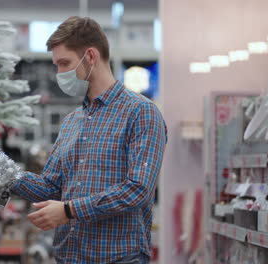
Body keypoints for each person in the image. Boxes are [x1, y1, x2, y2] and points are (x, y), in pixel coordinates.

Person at [10, 16, 167, 264]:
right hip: (68, 256)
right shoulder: (73, 121)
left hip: (118, 257)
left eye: (64, 63)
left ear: (91, 56)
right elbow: (51, 187)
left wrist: (69, 211)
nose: (59, 73)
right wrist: (3, 175)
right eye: (57, 65)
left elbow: (138, 189)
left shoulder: (141, 112)